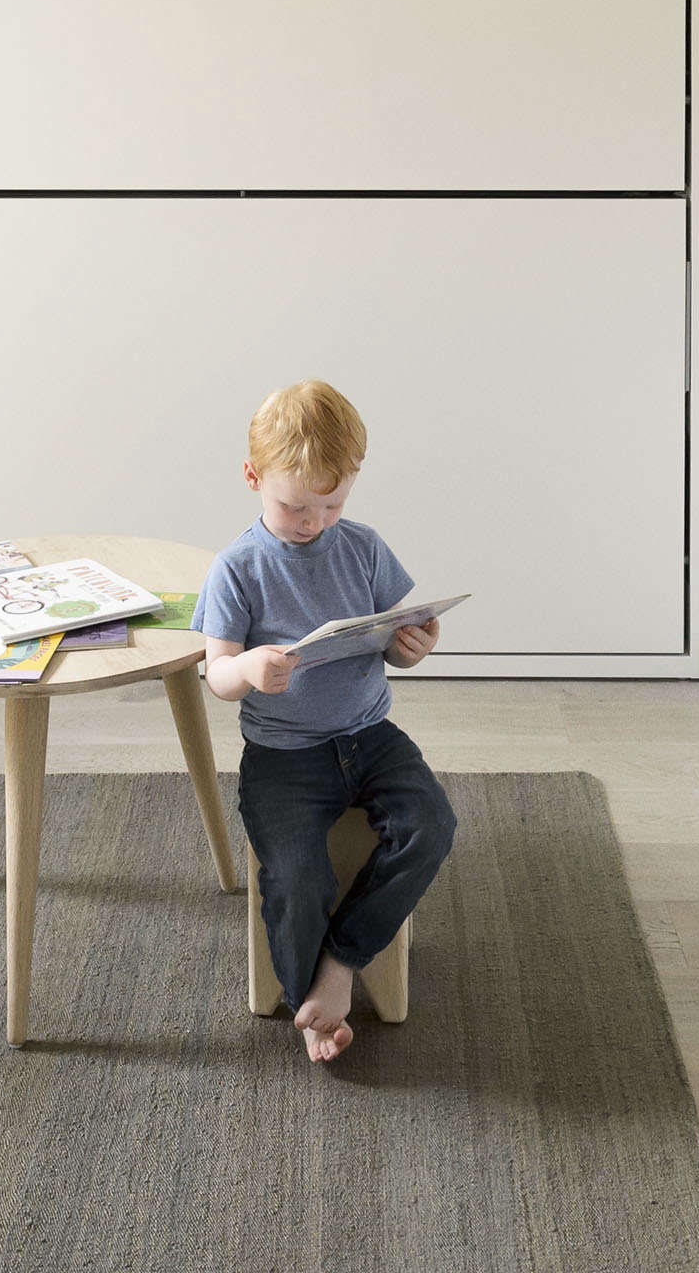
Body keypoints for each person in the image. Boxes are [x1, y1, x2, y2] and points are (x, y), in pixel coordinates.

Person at [194, 378, 457, 1063]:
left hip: (370, 737)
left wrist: (413, 649)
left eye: (332, 504)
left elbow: (400, 644)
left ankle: (339, 966)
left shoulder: (362, 548)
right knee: (294, 875)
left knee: (432, 823)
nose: (313, 520)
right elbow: (214, 675)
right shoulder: (236, 568)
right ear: (252, 478)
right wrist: (249, 667)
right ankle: (307, 1003)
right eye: (294, 506)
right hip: (284, 757)